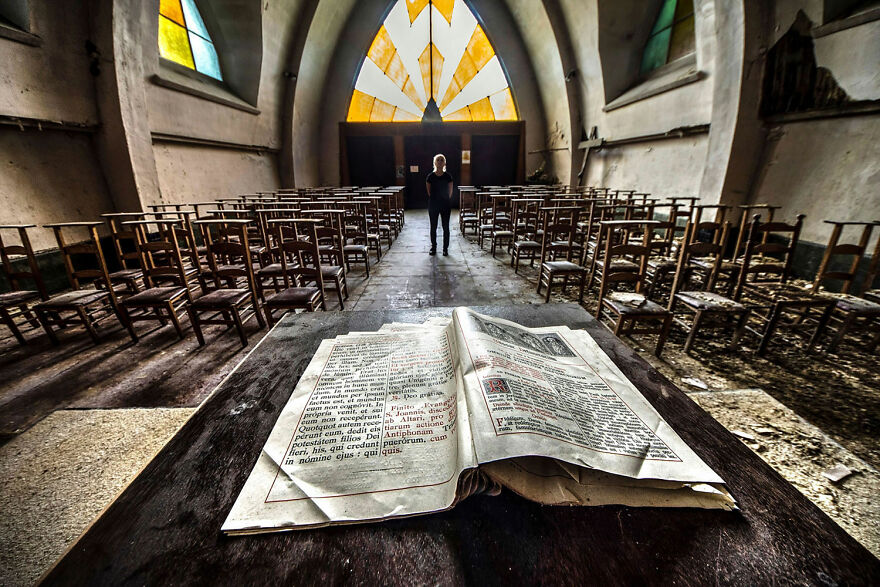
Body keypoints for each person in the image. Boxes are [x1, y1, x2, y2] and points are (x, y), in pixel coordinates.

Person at [425, 153, 453, 256]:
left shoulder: (448, 176)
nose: (440, 162)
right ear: (435, 163)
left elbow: (450, 191)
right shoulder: (430, 176)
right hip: (433, 204)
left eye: (442, 160)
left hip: (445, 204)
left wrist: (445, 199)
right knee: (433, 226)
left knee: (446, 227)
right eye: (438, 160)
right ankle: (434, 247)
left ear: (444, 163)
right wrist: (436, 199)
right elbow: (429, 192)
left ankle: (445, 248)